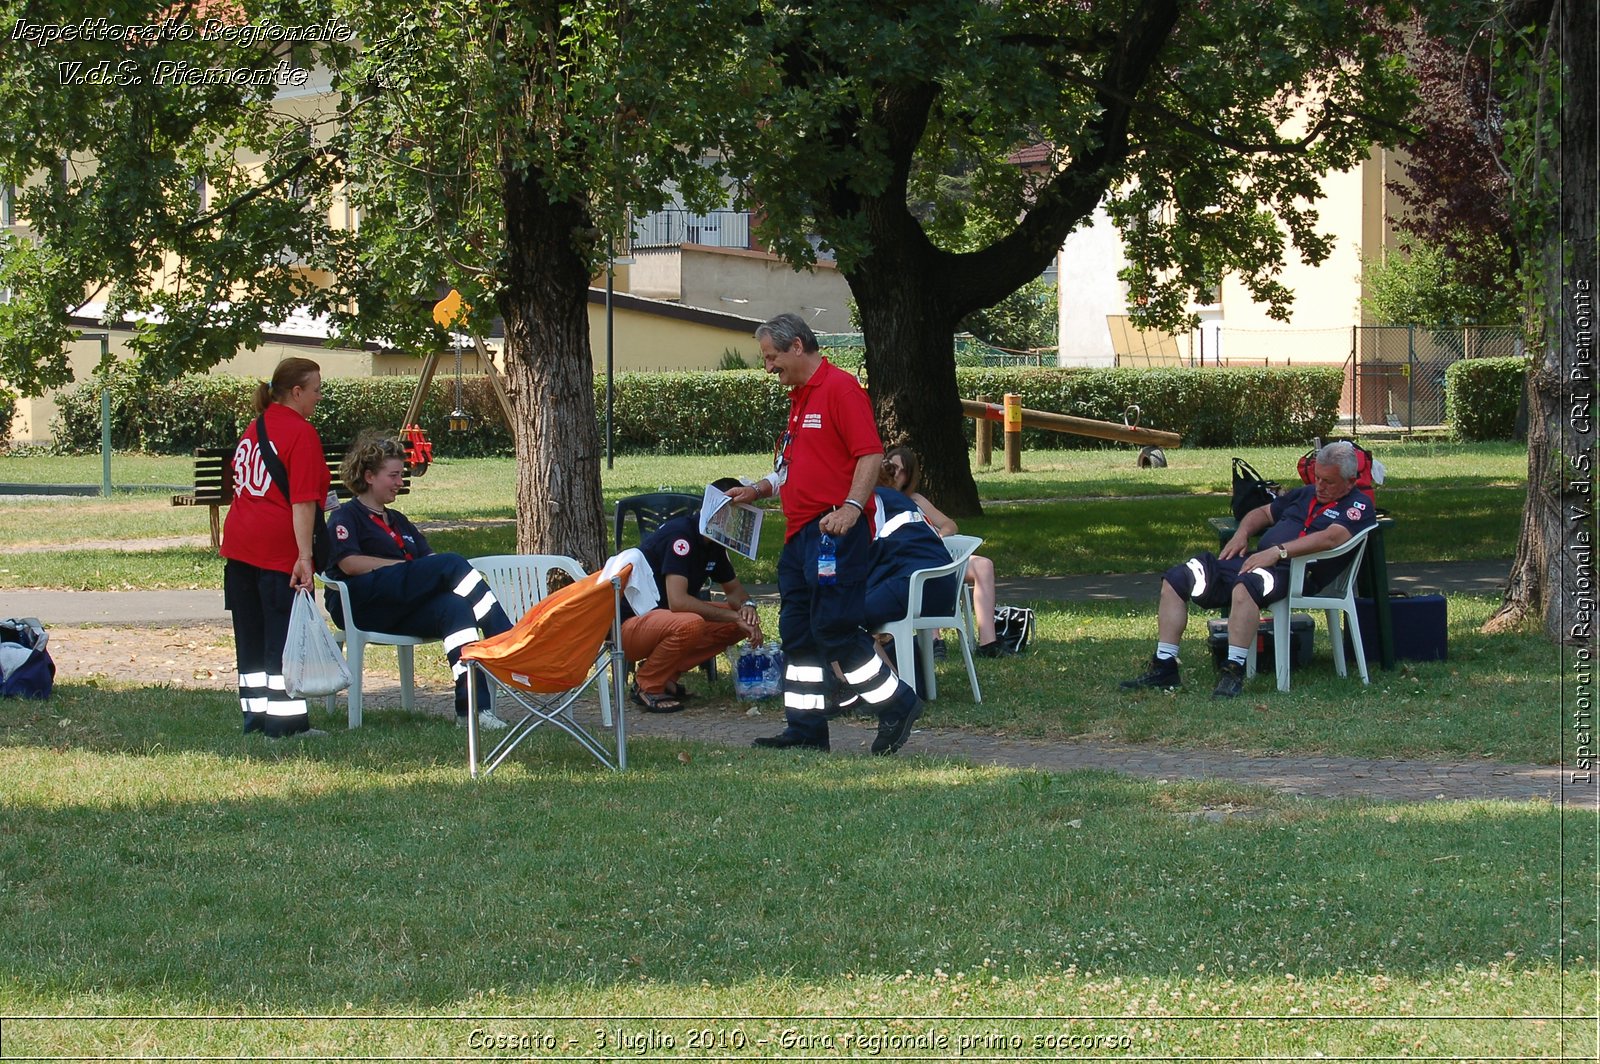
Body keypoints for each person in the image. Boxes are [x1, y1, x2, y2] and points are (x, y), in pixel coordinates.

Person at [722, 312, 923, 754]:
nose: (768, 367)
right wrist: (758, 489)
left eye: (771, 357)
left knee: (832, 626)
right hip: (800, 537)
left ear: (797, 346)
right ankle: (806, 728)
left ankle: (895, 703)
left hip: (835, 531)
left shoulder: (840, 389)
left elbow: (870, 456)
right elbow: (791, 466)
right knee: (797, 631)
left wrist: (853, 508)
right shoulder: (800, 398)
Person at [1119, 440, 1377, 698]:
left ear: (1350, 481)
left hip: (1294, 572)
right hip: (1257, 560)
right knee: (1178, 578)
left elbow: (1332, 538)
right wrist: (1242, 533)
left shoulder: (1358, 506)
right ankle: (1164, 666)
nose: (1319, 485)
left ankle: (1233, 670)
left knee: (1246, 585)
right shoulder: (1305, 493)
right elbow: (1262, 513)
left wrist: (1278, 552)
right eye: (1318, 477)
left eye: (1328, 482)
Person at [324, 434, 514, 730]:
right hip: (363, 604)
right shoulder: (346, 517)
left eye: (402, 474)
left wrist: (422, 571)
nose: (400, 482)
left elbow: (428, 559)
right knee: (450, 562)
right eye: (394, 475)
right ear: (370, 476)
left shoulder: (397, 520)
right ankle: (507, 638)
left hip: (402, 606)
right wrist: (407, 569)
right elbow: (350, 564)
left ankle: (472, 710)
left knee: (455, 608)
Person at [220, 357, 330, 738]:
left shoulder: (256, 426)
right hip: (276, 549)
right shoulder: (301, 433)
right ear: (296, 392)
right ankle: (286, 725)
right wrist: (304, 557)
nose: (319, 396)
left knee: (249, 637)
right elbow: (301, 502)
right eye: (316, 390)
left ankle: (255, 718)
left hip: (239, 545)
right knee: (283, 638)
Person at [619, 478, 765, 712]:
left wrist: (747, 608)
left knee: (737, 624)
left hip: (665, 623)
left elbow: (736, 592)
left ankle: (666, 675)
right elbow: (678, 602)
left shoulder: (715, 544)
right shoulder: (682, 537)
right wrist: (733, 616)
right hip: (630, 626)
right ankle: (647, 685)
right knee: (690, 623)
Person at [883, 445, 1008, 657]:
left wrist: (937, 538)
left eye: (901, 470)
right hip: (903, 564)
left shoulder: (915, 500)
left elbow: (949, 524)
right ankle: (934, 641)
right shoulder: (877, 501)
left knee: (983, 565)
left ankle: (988, 643)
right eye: (891, 467)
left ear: (909, 475)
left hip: (934, 555)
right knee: (924, 569)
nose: (895, 473)